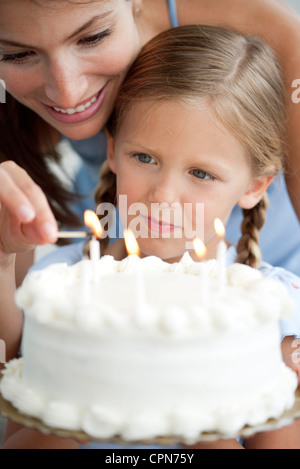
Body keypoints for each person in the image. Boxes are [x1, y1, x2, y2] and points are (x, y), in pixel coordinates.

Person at [2, 24, 300, 450]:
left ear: (254, 186)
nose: (162, 197)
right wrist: (82, 395)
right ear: (111, 150)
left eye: (201, 173)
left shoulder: (277, 313)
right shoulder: (61, 290)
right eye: (144, 157)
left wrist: (193, 403)